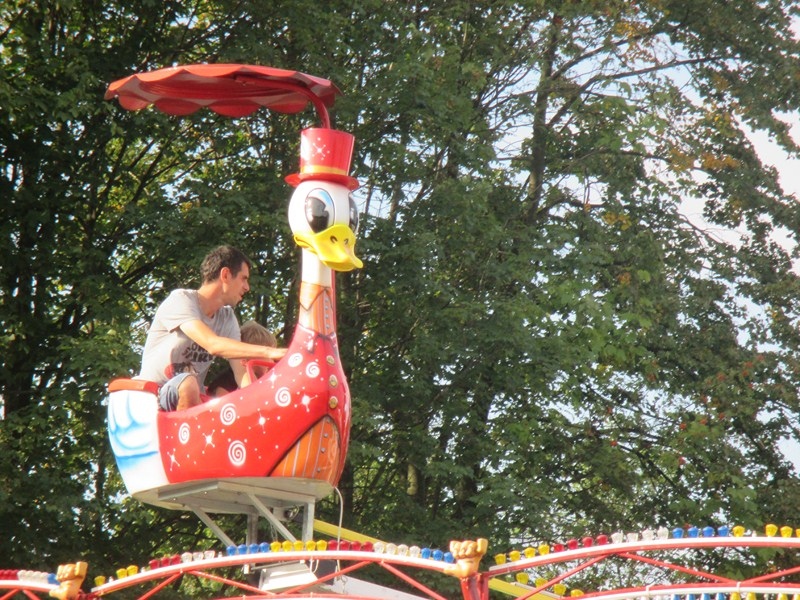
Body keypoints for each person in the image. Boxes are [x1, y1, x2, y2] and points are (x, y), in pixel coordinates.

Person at [137, 245, 287, 411]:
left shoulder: (227, 318)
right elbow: (212, 344)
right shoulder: (181, 300)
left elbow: (241, 373)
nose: (247, 287)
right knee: (188, 383)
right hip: (152, 396)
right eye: (243, 279)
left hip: (192, 399)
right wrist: (271, 352)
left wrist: (262, 402)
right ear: (226, 275)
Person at [206, 319, 277, 396]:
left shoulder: (267, 380)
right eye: (268, 356)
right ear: (253, 354)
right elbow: (221, 400)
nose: (272, 361)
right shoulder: (227, 381)